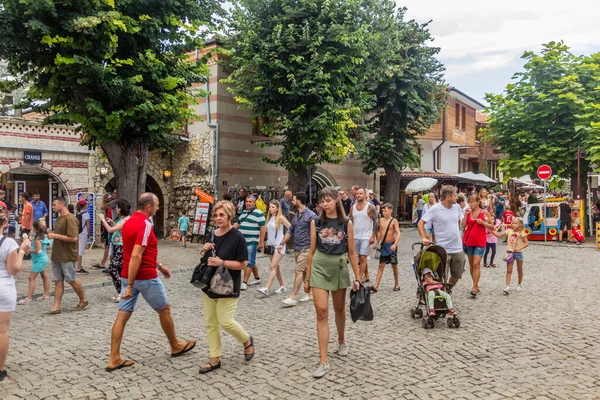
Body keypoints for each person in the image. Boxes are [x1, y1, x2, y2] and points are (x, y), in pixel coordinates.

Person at [107, 193, 195, 372]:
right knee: (164, 309)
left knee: (122, 316)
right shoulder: (146, 224)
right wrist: (131, 285)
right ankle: (175, 345)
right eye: (156, 205)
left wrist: (160, 266)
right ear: (148, 207)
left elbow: (139, 251)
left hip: (127, 274)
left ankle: (114, 358)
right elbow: (137, 255)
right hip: (145, 277)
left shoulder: (128, 222)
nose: (158, 208)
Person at [304, 187, 360, 378]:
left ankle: (341, 340)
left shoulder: (346, 223)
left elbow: (352, 253)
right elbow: (311, 251)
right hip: (320, 265)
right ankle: (323, 361)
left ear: (336, 200)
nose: (325, 204)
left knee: (338, 309)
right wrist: (307, 277)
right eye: (322, 201)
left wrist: (358, 276)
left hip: (338, 265)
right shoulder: (316, 222)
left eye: (328, 200)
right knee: (321, 312)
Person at [199, 200, 254, 374]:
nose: (218, 218)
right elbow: (206, 259)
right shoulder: (212, 234)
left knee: (225, 321)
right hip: (209, 283)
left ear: (229, 215)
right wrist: (205, 249)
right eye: (215, 215)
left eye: (221, 214)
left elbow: (243, 264)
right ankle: (214, 358)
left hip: (228, 285)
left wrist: (221, 262)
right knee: (211, 323)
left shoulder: (237, 237)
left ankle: (246, 340)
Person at [0, 211, 31, 381]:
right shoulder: (8, 243)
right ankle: (0, 368)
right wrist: (22, 251)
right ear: (5, 223)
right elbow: (14, 269)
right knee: (2, 330)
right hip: (3, 286)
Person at [43, 197, 88, 315]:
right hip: (57, 253)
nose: (52, 207)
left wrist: (55, 236)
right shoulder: (59, 219)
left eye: (54, 204)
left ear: (62, 204)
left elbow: (73, 238)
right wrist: (46, 230)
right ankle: (56, 306)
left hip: (68, 254)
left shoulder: (71, 219)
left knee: (71, 279)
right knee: (58, 281)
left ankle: (83, 299)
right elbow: (56, 234)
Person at [418, 185, 465, 287]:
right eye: (455, 195)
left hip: (457, 247)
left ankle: (447, 289)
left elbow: (459, 223)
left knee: (457, 274)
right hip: (443, 249)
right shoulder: (435, 209)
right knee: (442, 275)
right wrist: (423, 237)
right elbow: (420, 223)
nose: (457, 198)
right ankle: (442, 293)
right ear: (448, 197)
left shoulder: (457, 207)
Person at [279, 192, 318, 307]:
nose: (292, 201)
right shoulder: (296, 215)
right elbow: (290, 230)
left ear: (299, 201)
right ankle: (310, 294)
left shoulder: (311, 216)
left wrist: (313, 249)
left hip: (307, 248)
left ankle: (293, 297)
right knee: (306, 271)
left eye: (294, 199)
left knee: (298, 271)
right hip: (297, 247)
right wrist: (282, 243)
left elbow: (315, 233)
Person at [99, 199, 131, 302]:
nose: (115, 209)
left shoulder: (126, 220)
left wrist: (103, 220)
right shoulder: (122, 219)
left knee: (113, 268)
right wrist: (112, 223)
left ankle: (122, 292)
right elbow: (117, 228)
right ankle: (122, 293)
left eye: (117, 207)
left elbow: (111, 230)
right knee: (120, 270)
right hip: (118, 246)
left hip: (121, 247)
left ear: (120, 209)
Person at [461, 195, 494, 296]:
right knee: (471, 265)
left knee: (476, 264)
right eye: (470, 202)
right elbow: (463, 227)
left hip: (480, 241)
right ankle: (475, 284)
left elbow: (492, 227)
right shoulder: (468, 212)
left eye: (473, 202)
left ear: (478, 202)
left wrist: (483, 223)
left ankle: (474, 287)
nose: (471, 204)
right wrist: (466, 215)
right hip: (469, 241)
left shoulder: (485, 212)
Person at [258, 201, 290, 296]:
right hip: (271, 245)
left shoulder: (280, 218)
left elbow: (290, 228)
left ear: (277, 208)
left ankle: (267, 288)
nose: (270, 208)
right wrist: (267, 241)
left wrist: (283, 241)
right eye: (270, 207)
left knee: (273, 266)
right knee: (276, 266)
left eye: (272, 207)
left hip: (279, 245)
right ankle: (282, 285)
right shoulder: (270, 218)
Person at [234, 195, 265, 290]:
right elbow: (237, 224)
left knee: (249, 261)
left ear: (254, 203)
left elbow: (263, 228)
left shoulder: (259, 213)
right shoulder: (243, 212)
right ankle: (257, 278)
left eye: (250, 202)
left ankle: (244, 282)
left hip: (252, 240)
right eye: (247, 201)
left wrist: (261, 242)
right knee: (252, 260)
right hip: (242, 241)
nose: (248, 203)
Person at [491, 218, 529, 294]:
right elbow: (498, 235)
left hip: (518, 253)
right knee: (509, 270)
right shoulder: (508, 231)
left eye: (516, 223)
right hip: (509, 252)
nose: (514, 225)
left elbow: (527, 243)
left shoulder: (521, 232)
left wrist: (519, 248)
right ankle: (507, 286)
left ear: (520, 224)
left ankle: (519, 284)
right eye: (513, 223)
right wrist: (490, 230)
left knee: (519, 269)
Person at [17, 221, 51, 304]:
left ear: (35, 228)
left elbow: (38, 250)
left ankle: (29, 297)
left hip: (40, 260)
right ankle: (46, 294)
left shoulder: (37, 238)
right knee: (44, 276)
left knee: (31, 278)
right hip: (42, 259)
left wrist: (29, 251)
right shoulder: (43, 236)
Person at [348, 188, 377, 283]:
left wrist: (373, 236)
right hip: (355, 235)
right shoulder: (353, 207)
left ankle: (359, 277)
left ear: (365, 195)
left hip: (366, 235)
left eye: (360, 193)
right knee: (359, 257)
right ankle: (367, 275)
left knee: (363, 257)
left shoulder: (370, 207)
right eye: (357, 193)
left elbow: (376, 221)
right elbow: (350, 220)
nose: (358, 195)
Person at [371, 203, 401, 293]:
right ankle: (376, 285)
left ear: (391, 210)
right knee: (381, 265)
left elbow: (398, 233)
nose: (384, 212)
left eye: (386, 210)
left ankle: (396, 283)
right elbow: (380, 232)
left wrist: (395, 244)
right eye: (383, 211)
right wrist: (378, 242)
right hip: (384, 245)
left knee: (394, 265)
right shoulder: (381, 220)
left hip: (391, 245)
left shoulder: (394, 221)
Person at [76, 198, 91, 274]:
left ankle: (78, 265)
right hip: (83, 233)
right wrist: (89, 234)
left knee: (78, 249)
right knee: (81, 251)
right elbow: (88, 225)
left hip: (77, 233)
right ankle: (78, 268)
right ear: (84, 205)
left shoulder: (77, 214)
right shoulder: (86, 214)